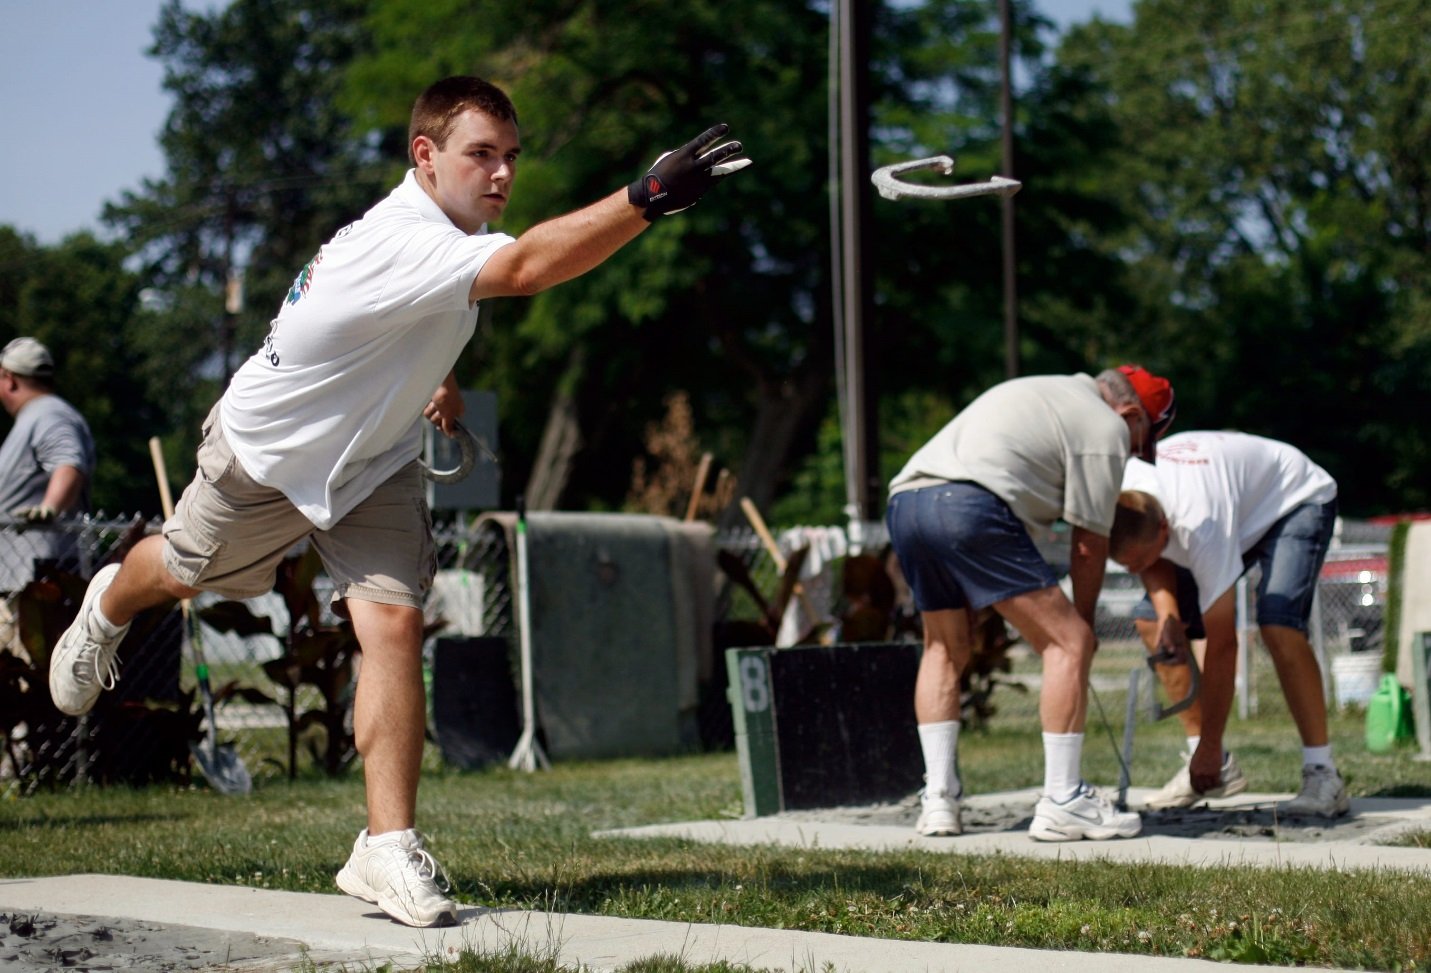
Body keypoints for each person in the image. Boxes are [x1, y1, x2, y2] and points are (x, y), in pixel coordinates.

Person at [47, 76, 751, 927]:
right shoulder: (399, 238)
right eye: (479, 155)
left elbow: (410, 321)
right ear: (425, 156)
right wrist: (645, 197)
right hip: (267, 459)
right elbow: (527, 268)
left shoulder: (447, 238)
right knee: (186, 573)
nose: (500, 175)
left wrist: (439, 380)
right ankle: (107, 602)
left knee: (392, 622)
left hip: (374, 463)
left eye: (511, 158)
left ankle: (386, 846)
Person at [886, 364, 1176, 842]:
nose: (1132, 454)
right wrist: (1081, 626)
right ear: (1129, 414)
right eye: (1139, 442)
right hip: (969, 505)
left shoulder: (1045, 391)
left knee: (944, 648)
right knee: (1069, 642)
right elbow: (1088, 542)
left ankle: (938, 800)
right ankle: (1063, 799)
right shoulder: (1103, 426)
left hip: (907, 503)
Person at [1109, 430, 1347, 817]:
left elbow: (1223, 645)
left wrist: (1211, 741)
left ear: (1166, 532)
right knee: (1153, 623)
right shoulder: (1125, 496)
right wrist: (1167, 611)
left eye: (1138, 562)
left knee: (1278, 625)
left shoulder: (1203, 526)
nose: (1133, 571)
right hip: (1230, 500)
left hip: (1293, 499)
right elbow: (1152, 561)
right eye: (1126, 566)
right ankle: (1210, 761)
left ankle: (1323, 773)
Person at [0, 337, 96, 654]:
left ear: (9, 378)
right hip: (25, 578)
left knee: (30, 684)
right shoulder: (39, 415)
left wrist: (50, 508)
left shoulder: (48, 414)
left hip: (35, 581)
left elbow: (69, 462)